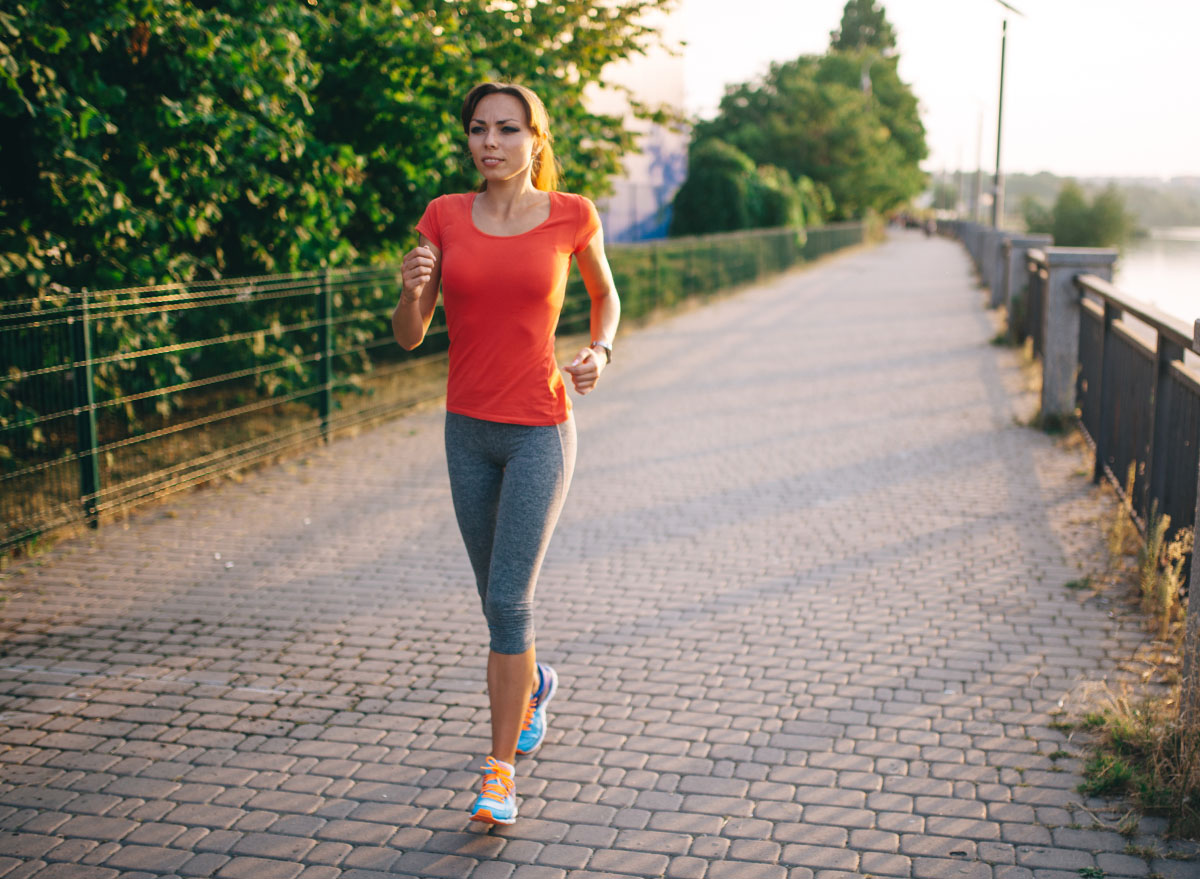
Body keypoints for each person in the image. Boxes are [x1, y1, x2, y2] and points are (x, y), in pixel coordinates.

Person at [392, 82, 620, 826]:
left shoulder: (571, 215)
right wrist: (410, 291)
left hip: (538, 430)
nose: (491, 142)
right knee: (499, 608)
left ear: (536, 140)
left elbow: (605, 297)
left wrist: (600, 350)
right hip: (467, 432)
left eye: (508, 129)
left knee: (506, 599)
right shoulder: (443, 217)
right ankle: (536, 683)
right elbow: (409, 334)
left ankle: (499, 772)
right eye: (479, 129)